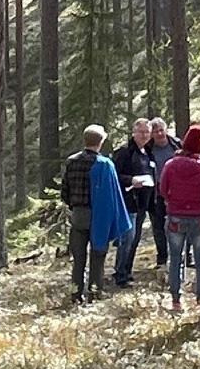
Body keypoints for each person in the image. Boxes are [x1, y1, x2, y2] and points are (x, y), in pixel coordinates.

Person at [60, 125, 132, 303]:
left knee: (78, 258)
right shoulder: (105, 164)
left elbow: (65, 191)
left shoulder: (71, 162)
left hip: (78, 214)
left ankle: (76, 294)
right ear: (101, 142)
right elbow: (112, 195)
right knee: (98, 255)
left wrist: (75, 205)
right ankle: (95, 293)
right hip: (100, 216)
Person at [158, 125, 200, 314]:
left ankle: (176, 300)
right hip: (199, 218)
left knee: (176, 258)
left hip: (176, 217)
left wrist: (173, 201)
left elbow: (162, 189)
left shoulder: (171, 165)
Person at [111, 119, 157, 288]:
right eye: (141, 132)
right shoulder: (124, 152)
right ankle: (120, 274)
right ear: (133, 133)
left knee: (135, 239)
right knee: (127, 238)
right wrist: (131, 180)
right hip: (127, 203)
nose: (145, 135)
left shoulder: (147, 151)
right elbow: (114, 175)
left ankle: (127, 271)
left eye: (147, 132)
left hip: (143, 203)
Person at [145, 117, 185, 268]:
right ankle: (162, 258)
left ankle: (184, 256)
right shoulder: (147, 149)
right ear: (151, 134)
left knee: (181, 224)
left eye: (161, 130)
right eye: (155, 131)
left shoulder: (177, 144)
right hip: (156, 194)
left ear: (166, 130)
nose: (160, 134)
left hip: (177, 193)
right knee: (158, 226)